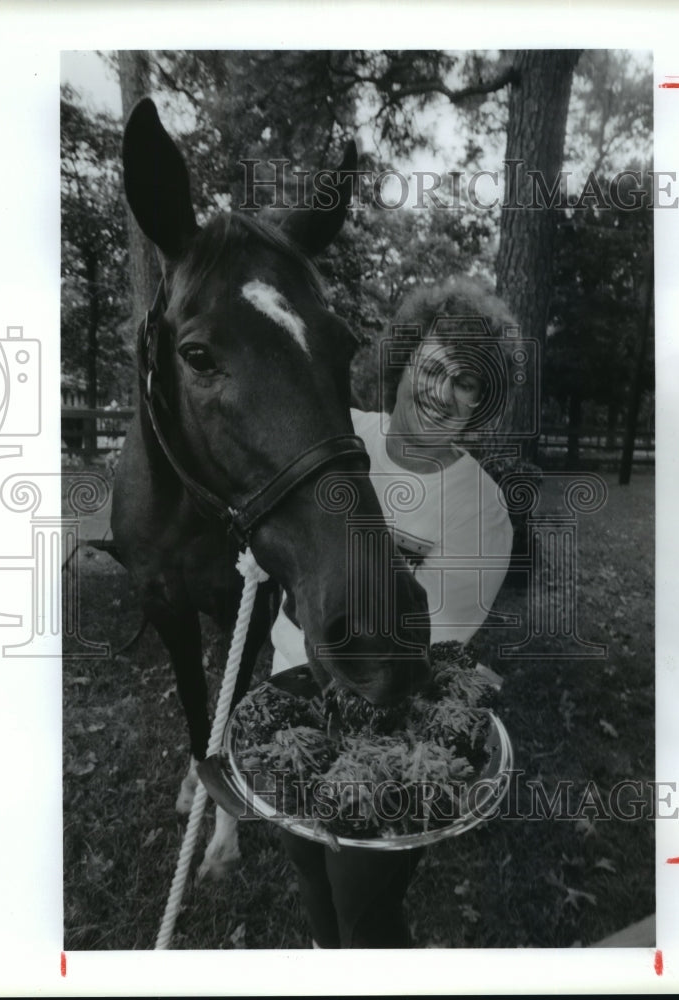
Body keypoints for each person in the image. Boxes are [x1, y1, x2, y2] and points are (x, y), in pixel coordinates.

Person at [272, 278, 516, 948]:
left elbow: (430, 651)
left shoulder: (481, 509)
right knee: (306, 867)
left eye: (467, 382)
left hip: (387, 730)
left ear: (482, 402)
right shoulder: (338, 434)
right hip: (290, 691)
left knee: (364, 906)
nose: (442, 391)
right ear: (403, 362)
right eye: (433, 366)